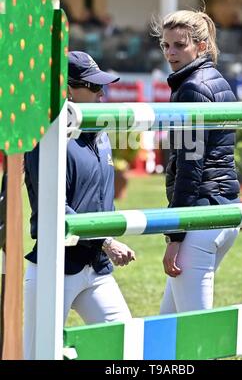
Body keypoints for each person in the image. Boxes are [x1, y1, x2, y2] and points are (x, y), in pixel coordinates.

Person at [23, 51, 136, 360]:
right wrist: (107, 240)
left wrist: (103, 242)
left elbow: (102, 199)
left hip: (95, 267)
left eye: (104, 88)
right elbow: (54, 208)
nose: (102, 95)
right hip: (54, 267)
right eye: (95, 88)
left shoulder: (98, 133)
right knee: (36, 357)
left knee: (126, 347)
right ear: (69, 88)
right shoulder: (45, 137)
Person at [152, 9, 240, 314]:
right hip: (224, 210)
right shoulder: (217, 80)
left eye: (179, 45)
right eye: (165, 45)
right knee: (167, 327)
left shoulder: (192, 88)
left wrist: (175, 235)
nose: (170, 53)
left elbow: (190, 168)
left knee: (195, 334)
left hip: (201, 217)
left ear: (201, 46)